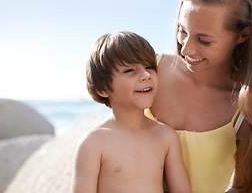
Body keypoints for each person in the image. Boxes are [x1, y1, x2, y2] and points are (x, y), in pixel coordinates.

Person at [145, 0, 252, 193]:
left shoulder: (247, 109)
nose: (186, 48)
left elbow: (246, 188)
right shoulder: (149, 71)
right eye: (182, 30)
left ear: (243, 35)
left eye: (204, 40)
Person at [70, 31, 191, 193]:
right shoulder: (93, 143)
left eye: (149, 67)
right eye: (129, 70)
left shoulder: (166, 136)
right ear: (103, 88)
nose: (146, 75)